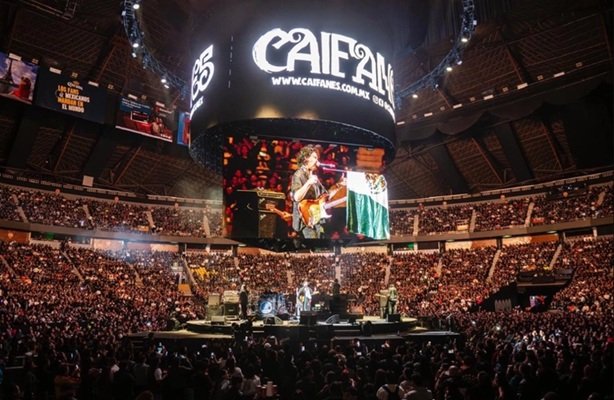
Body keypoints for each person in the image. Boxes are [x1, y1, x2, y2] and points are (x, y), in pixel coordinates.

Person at [291, 145, 326, 239]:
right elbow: (296, 197)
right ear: (306, 158)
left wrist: (338, 186)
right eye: (314, 157)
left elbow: (325, 195)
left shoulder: (314, 177)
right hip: (304, 221)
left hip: (315, 219)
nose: (317, 162)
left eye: (318, 159)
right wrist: (308, 183)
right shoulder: (298, 175)